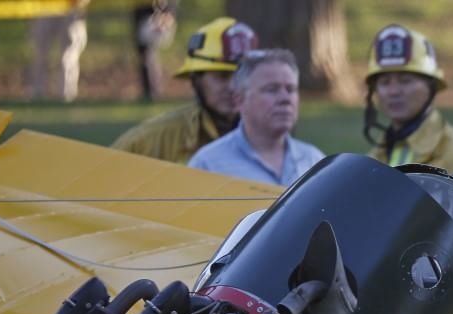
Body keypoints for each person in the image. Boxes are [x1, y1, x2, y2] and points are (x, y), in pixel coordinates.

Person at [112, 17, 258, 163]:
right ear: (195, 80)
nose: (233, 87)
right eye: (221, 76)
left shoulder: (277, 138)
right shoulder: (154, 139)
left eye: (242, 77)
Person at [188, 49, 325, 186]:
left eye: (291, 89)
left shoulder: (315, 162)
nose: (285, 98)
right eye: (272, 89)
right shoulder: (207, 165)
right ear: (239, 100)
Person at [363, 24, 453, 173]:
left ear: (432, 87)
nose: (393, 91)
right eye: (385, 82)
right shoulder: (378, 155)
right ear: (374, 90)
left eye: (405, 80)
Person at [30, 0, 89, 102]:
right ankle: (38, 95)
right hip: (44, 9)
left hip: (71, 9)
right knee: (40, 56)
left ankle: (67, 97)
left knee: (69, 57)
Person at [132, 1, 177, 102]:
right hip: (143, 16)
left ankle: (153, 91)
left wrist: (168, 13)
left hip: (161, 16)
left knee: (149, 55)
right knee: (145, 56)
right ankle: (150, 91)